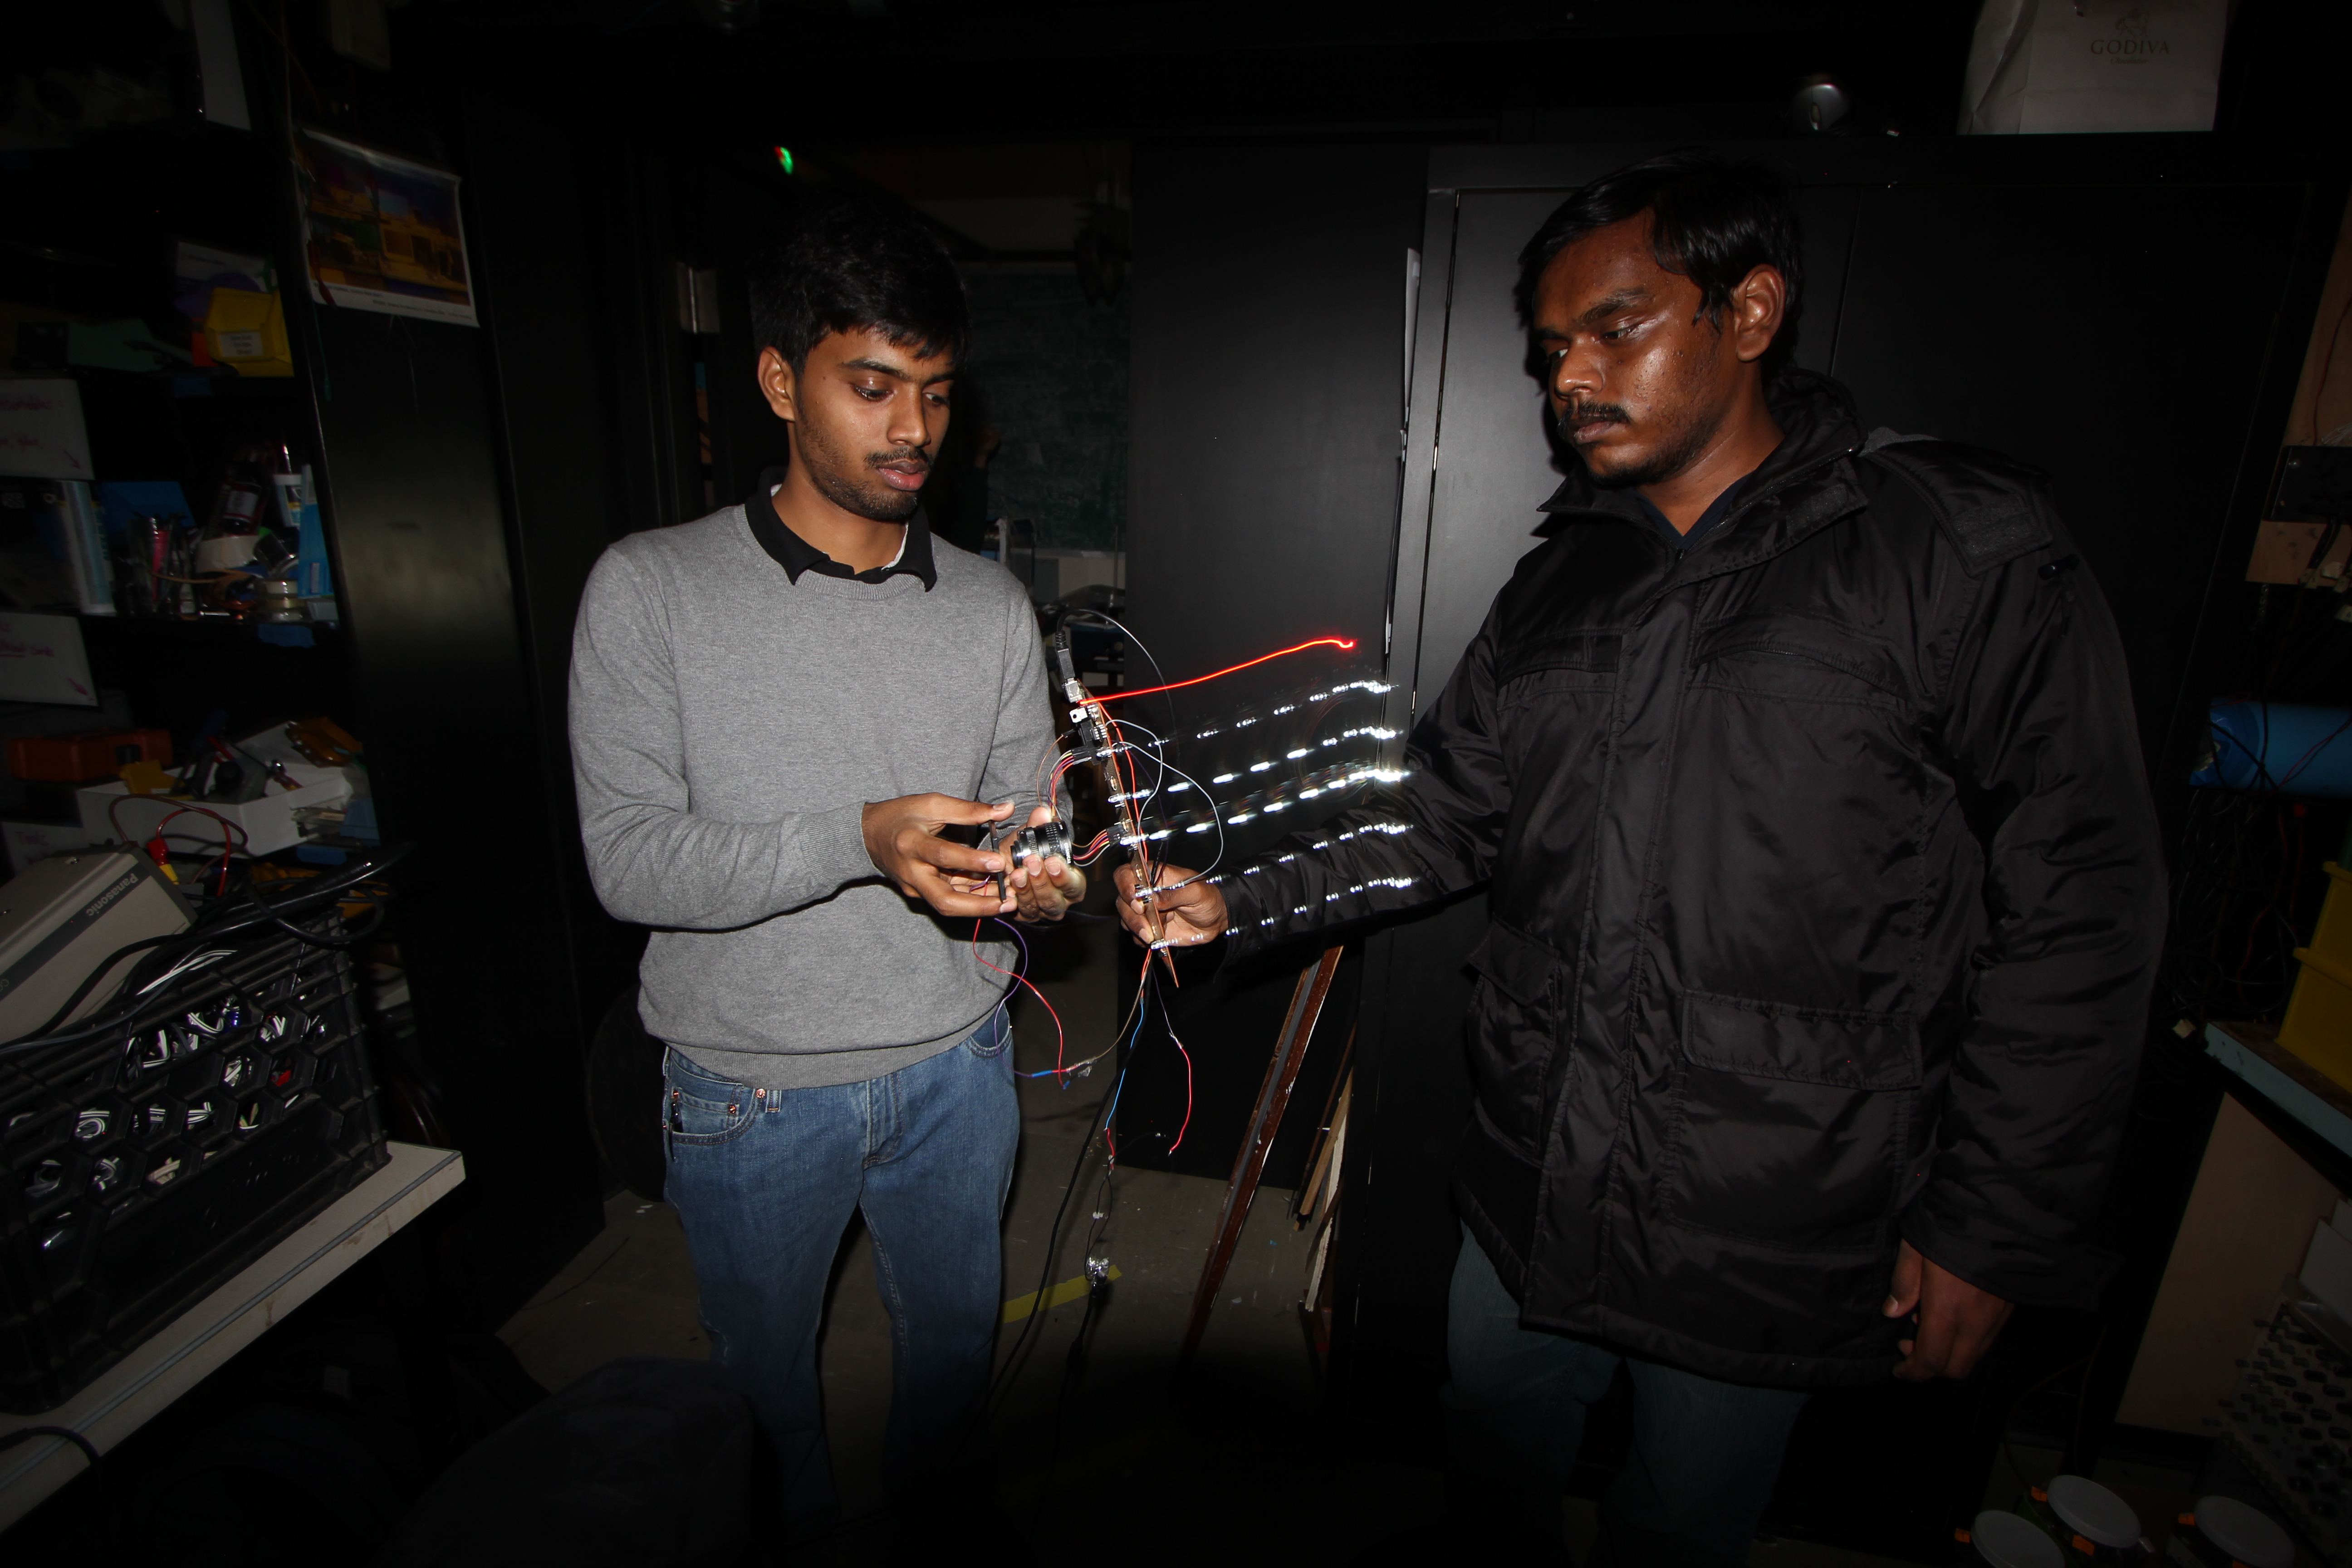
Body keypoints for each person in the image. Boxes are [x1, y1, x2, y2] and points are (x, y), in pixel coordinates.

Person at [1116, 150, 2162, 1565]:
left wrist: (1996, 1224)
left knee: (1685, 1519)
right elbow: (1443, 815)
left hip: (1768, 1213)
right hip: (1533, 1179)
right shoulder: (1563, 582)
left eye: (1617, 327)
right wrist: (1236, 900)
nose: (1572, 377)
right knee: (1492, 1453)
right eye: (1553, 349)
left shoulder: (1946, 551)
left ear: (1750, 311)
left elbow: (2084, 900)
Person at [568, 198, 1078, 1540]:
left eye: (938, 392)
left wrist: (1047, 871)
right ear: (781, 380)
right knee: (761, 1397)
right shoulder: (649, 591)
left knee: (953, 1361)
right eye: (874, 386)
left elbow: (1033, 818)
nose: (915, 429)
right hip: (749, 1087)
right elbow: (629, 860)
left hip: (960, 1066)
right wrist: (859, 839)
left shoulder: (992, 606)